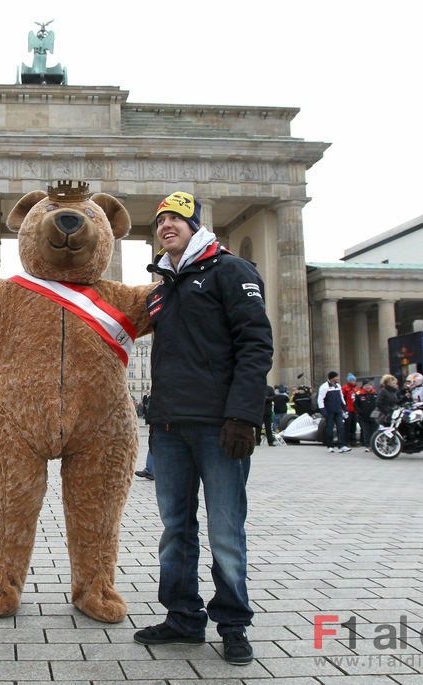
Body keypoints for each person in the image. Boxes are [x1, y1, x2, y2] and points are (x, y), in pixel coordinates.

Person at [135, 191, 272, 666]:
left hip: (219, 427)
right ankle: (183, 617)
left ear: (196, 225)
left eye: (176, 217)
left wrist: (243, 416)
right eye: (160, 220)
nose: (166, 225)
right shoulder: (162, 286)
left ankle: (233, 624)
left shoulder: (231, 270)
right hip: (170, 427)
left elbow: (255, 345)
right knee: (176, 529)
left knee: (226, 531)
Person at [317, 371, 350, 453]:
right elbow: (320, 399)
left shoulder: (338, 386)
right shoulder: (324, 387)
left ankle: (342, 445)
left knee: (341, 427)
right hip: (329, 411)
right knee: (330, 428)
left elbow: (341, 397)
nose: (338, 378)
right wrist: (323, 411)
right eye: (336, 377)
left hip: (338, 410)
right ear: (332, 378)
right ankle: (330, 446)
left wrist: (345, 407)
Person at [353, 380, 378, 450]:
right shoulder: (359, 394)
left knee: (374, 431)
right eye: (366, 385)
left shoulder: (375, 393)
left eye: (369, 385)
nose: (368, 387)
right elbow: (355, 405)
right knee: (366, 431)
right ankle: (368, 445)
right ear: (363, 386)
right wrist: (360, 412)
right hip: (363, 417)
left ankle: (375, 445)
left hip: (374, 416)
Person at [341, 374, 359, 446]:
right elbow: (342, 399)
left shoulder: (356, 389)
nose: (354, 382)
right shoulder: (345, 388)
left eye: (355, 380)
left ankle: (353, 441)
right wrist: (343, 409)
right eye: (353, 380)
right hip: (348, 410)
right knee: (347, 427)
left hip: (354, 410)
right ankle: (346, 441)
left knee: (353, 426)